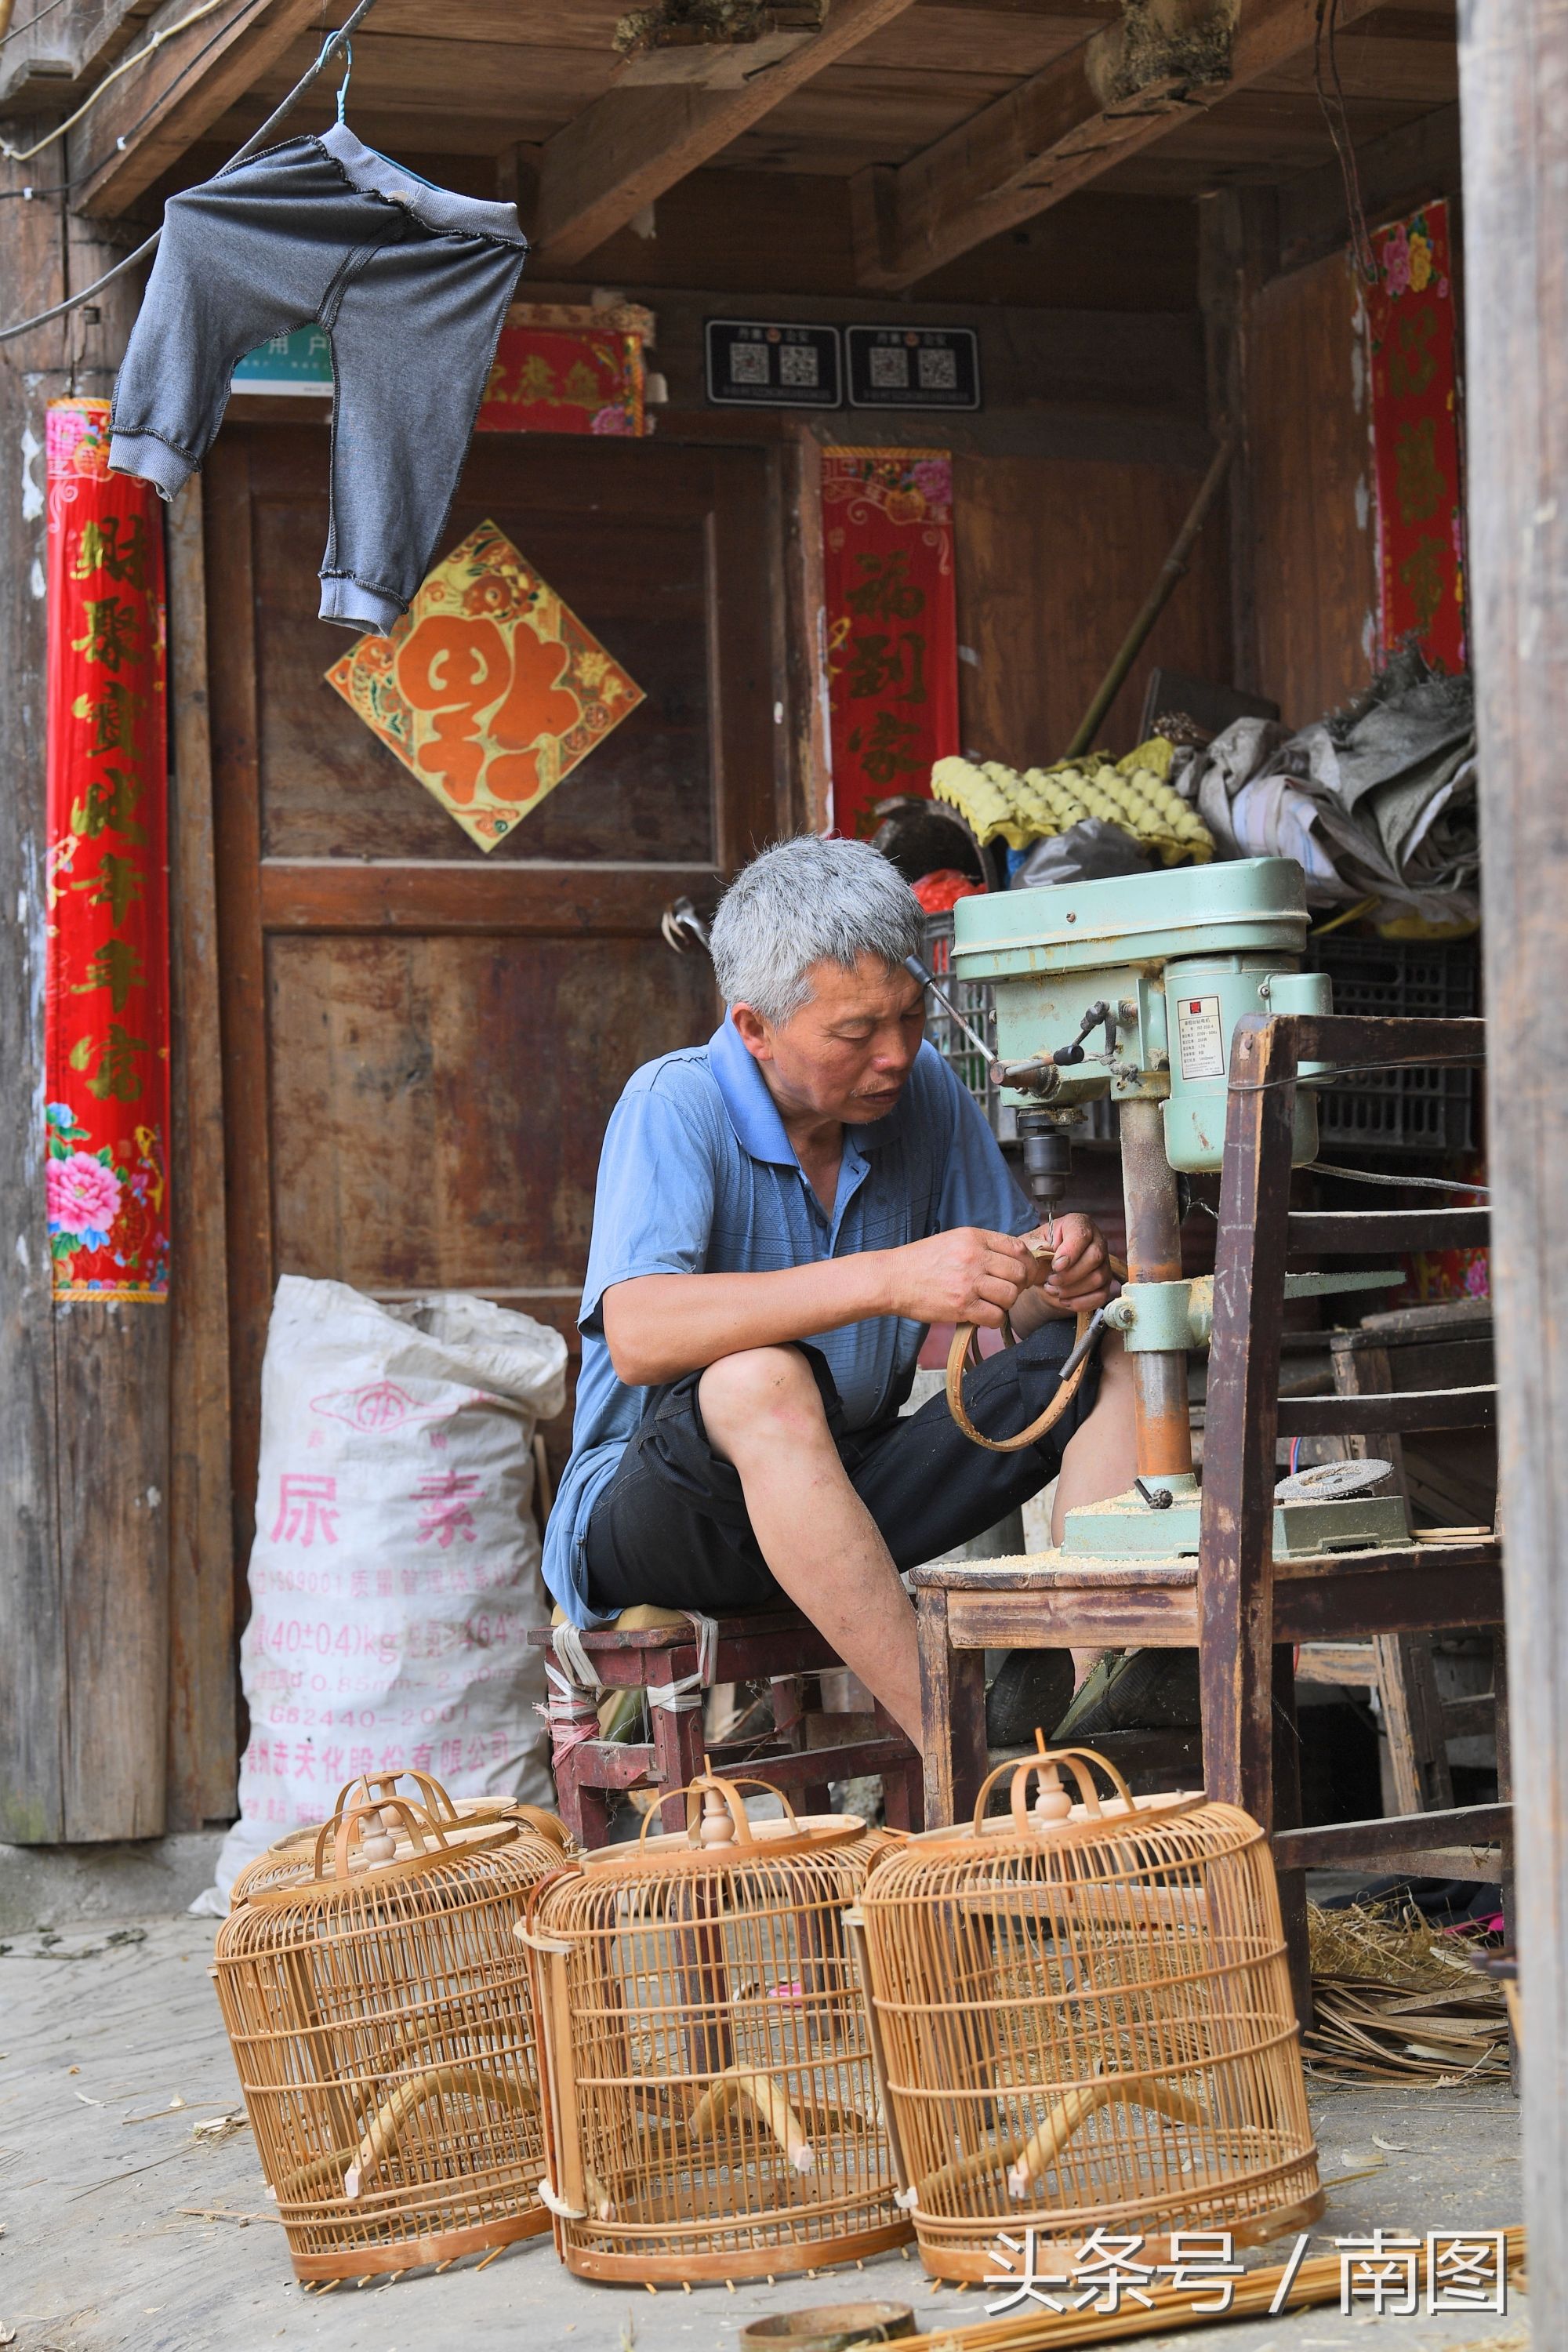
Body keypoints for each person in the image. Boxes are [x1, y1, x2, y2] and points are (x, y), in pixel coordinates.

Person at [542, 836, 1139, 1748]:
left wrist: (1047, 1277)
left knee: (1111, 1347)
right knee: (759, 1380)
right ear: (754, 1028)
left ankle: (1085, 1718)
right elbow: (637, 1333)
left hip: (844, 1492)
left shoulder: (923, 1094)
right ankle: (961, 1759)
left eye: (908, 1016)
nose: (895, 1055)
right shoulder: (674, 1103)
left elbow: (1006, 1304)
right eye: (855, 1033)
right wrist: (889, 1279)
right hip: (665, 1516)